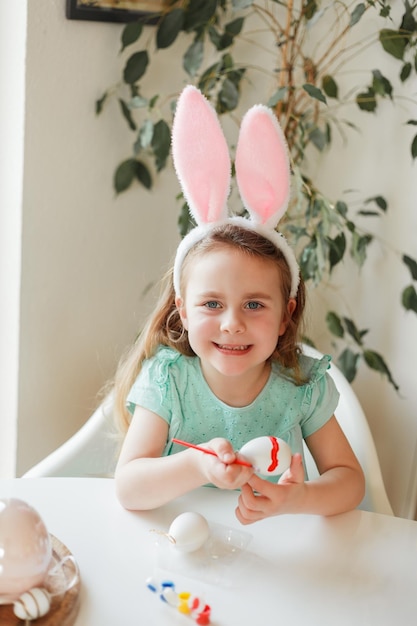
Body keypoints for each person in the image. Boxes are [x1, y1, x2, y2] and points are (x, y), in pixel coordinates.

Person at [114, 85, 365, 523]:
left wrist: (296, 499)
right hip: (179, 555)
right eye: (211, 304)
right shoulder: (169, 381)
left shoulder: (300, 388)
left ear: (286, 316)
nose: (232, 324)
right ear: (183, 311)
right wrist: (196, 465)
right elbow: (130, 487)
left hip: (271, 561)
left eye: (254, 305)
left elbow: (350, 481)